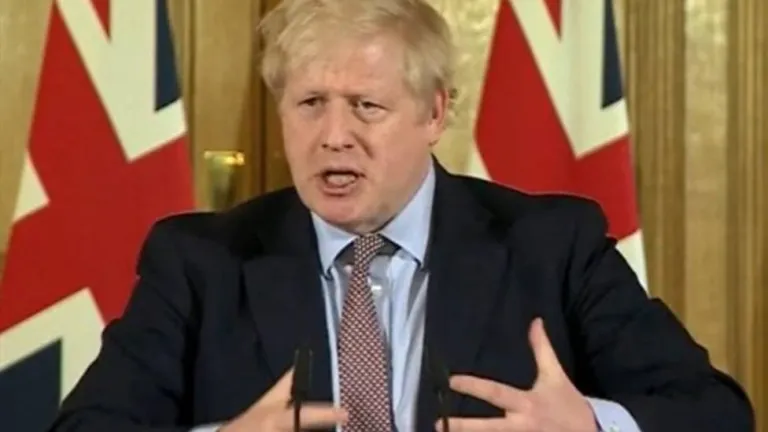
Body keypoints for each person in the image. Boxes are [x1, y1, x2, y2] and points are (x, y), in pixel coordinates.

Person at [49, 0, 754, 431]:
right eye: (310, 104)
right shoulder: (201, 261)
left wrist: (592, 427)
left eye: (366, 106)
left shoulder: (551, 246)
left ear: (434, 113)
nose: (334, 136)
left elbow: (717, 413)